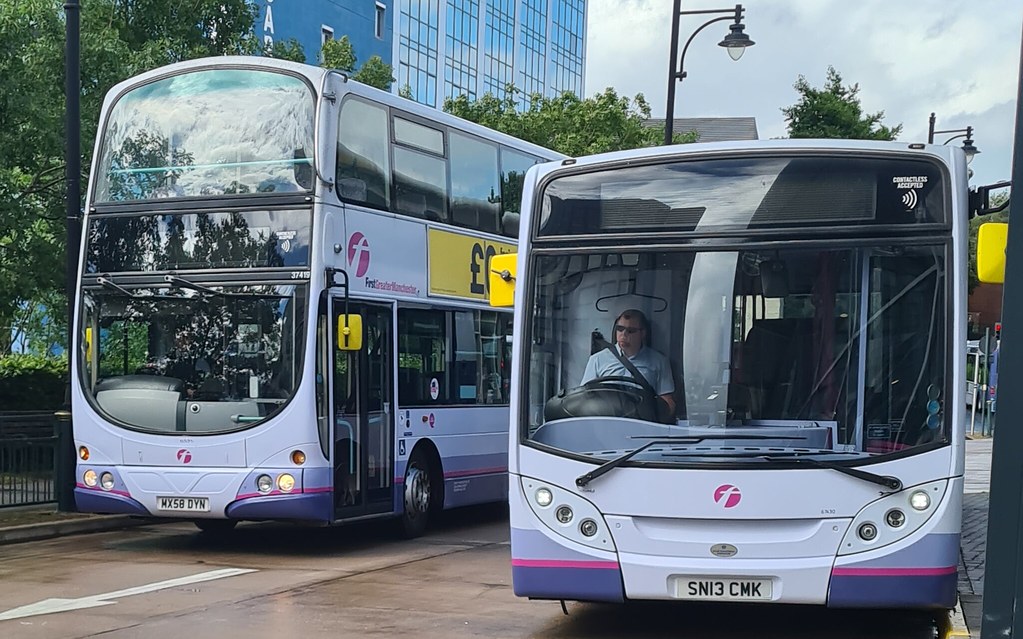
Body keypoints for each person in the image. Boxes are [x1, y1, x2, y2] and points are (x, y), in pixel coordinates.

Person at [580, 309, 676, 414]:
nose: (623, 335)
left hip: (642, 421)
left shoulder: (659, 361)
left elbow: (667, 402)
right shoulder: (597, 359)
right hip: (607, 418)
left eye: (630, 331)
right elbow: (585, 396)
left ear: (642, 333)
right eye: (620, 329)